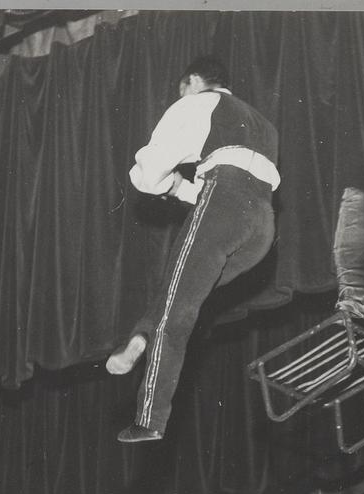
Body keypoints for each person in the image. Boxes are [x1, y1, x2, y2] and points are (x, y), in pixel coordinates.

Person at [108, 55, 280, 443]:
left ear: (194, 81)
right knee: (180, 294)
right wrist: (181, 188)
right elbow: (236, 183)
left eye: (181, 88)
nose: (180, 95)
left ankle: (150, 417)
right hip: (262, 225)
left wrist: (158, 183)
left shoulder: (199, 102)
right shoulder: (262, 123)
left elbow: (152, 165)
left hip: (223, 200)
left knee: (178, 306)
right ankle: (141, 337)